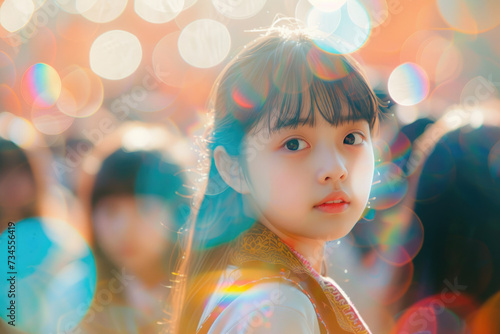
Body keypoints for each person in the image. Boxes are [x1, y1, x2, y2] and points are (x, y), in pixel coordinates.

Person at [167, 19, 384, 334]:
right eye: (294, 144)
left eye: (351, 138)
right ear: (233, 167)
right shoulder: (279, 308)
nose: (335, 168)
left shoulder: (260, 289)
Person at [76, 124, 192, 334]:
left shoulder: (206, 294)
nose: (124, 228)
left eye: (144, 208)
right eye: (111, 210)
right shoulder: (80, 304)